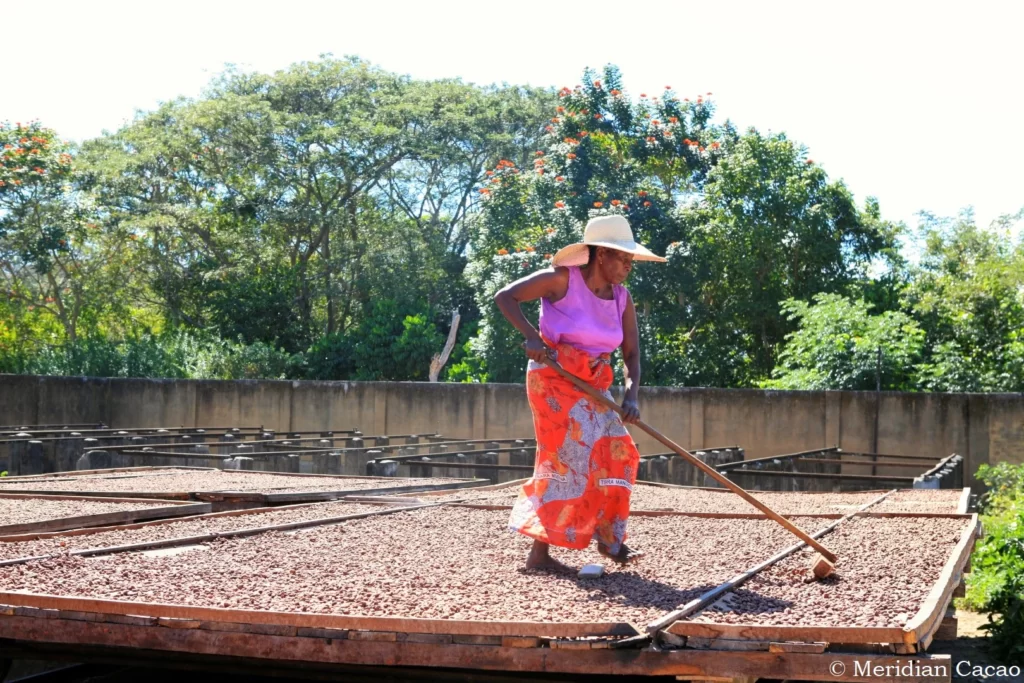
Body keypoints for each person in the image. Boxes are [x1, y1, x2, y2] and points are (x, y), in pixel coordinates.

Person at [493, 215, 666, 572]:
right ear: (601, 254)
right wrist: (530, 336)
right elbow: (506, 297)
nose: (628, 268)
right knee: (570, 457)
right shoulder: (561, 280)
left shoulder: (621, 298)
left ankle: (609, 538)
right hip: (553, 379)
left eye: (631, 261)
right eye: (623, 259)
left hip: (593, 385)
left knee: (621, 453)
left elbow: (631, 355)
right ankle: (540, 554)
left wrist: (631, 397)